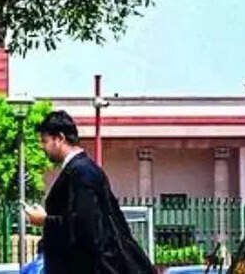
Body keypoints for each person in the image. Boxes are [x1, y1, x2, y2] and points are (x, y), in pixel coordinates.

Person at [23, 110, 153, 274]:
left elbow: (86, 227)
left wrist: (45, 221)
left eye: (45, 141)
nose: (42, 147)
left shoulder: (81, 172)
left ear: (60, 138)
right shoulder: (81, 170)